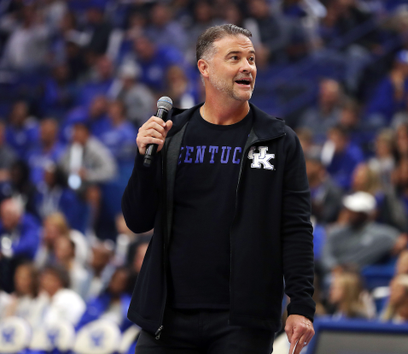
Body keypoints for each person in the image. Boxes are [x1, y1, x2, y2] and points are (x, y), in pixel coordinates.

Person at [122, 25, 315, 354]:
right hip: (166, 317)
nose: (247, 66)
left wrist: (301, 304)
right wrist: (144, 160)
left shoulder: (278, 140)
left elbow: (295, 227)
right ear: (204, 68)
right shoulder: (172, 134)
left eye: (251, 59)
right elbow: (138, 220)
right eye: (235, 57)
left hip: (241, 322)